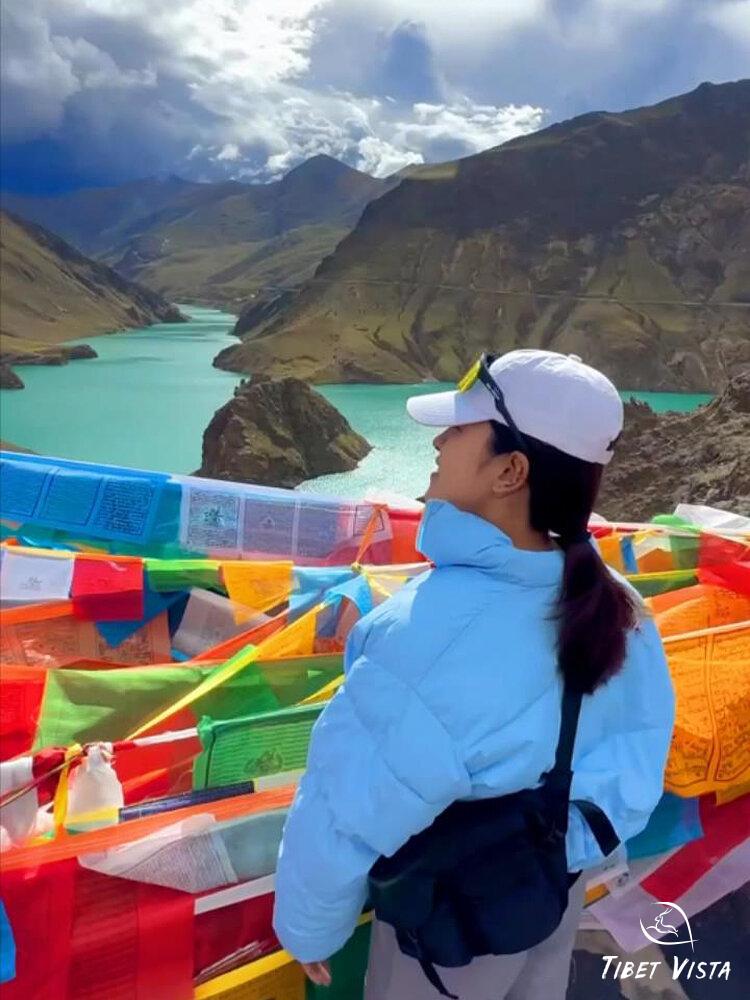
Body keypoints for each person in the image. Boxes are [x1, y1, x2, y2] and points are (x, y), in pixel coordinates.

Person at [273, 349, 675, 999]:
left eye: (460, 429)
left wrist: (309, 931)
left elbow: (342, 810)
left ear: (510, 471)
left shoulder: (426, 635)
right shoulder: (619, 604)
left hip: (451, 928)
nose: (439, 440)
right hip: (549, 894)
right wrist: (562, 850)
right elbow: (637, 747)